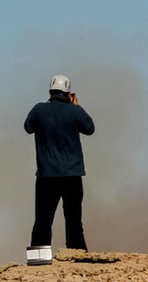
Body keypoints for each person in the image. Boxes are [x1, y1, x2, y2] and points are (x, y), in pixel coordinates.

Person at [24, 75, 95, 251]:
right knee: (73, 219)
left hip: (46, 176)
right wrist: (76, 106)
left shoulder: (38, 109)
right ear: (69, 94)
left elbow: (28, 127)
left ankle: (39, 259)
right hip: (72, 175)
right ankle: (76, 255)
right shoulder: (74, 111)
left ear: (50, 92)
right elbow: (89, 128)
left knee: (43, 220)